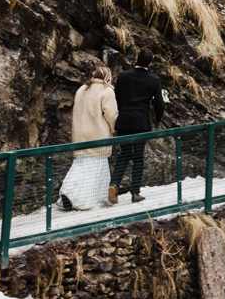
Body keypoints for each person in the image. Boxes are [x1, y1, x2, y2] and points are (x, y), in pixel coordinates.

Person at [60, 63, 117, 211]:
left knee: (80, 166)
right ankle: (84, 200)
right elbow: (111, 115)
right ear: (107, 77)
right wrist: (114, 128)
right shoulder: (107, 91)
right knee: (95, 169)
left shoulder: (82, 89)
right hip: (98, 135)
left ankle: (67, 192)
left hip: (80, 135)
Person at [110, 49, 165, 204]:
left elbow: (117, 97)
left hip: (124, 120)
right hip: (141, 122)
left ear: (136, 59)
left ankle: (114, 184)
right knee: (138, 158)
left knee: (124, 154)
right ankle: (135, 192)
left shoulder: (123, 76)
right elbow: (159, 103)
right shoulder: (153, 80)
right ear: (150, 62)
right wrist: (158, 120)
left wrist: (122, 111)